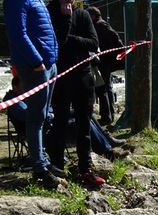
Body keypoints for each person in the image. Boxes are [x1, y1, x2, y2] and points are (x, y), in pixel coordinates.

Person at [3, 0, 65, 189]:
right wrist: (36, 61)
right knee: (36, 117)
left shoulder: (37, 0)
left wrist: (53, 57)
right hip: (35, 67)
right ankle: (39, 168)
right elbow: (17, 33)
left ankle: (43, 161)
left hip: (48, 63)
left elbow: (47, 30)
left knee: (44, 115)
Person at [47, 0, 105, 189]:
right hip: (61, 77)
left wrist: (71, 40)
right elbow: (57, 41)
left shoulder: (83, 14)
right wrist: (66, 19)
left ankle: (86, 169)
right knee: (59, 123)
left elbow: (94, 42)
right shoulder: (49, 12)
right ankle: (57, 168)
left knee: (84, 125)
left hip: (83, 76)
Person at [87, 6, 123, 125]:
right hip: (104, 60)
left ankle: (106, 116)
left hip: (105, 61)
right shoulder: (99, 25)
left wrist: (114, 53)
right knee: (106, 87)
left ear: (93, 15)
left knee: (102, 88)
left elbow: (115, 38)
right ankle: (109, 115)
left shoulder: (101, 25)